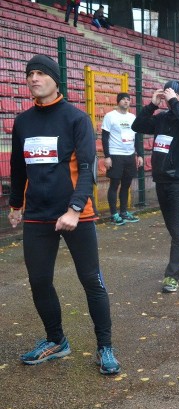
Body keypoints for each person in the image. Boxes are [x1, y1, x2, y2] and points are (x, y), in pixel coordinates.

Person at [9, 54, 120, 375]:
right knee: (39, 281)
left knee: (91, 280)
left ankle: (104, 346)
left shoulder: (76, 118)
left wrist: (74, 209)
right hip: (37, 215)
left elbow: (88, 168)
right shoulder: (23, 122)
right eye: (30, 73)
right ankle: (56, 340)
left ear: (56, 80)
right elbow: (19, 167)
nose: (33, 78)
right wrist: (16, 205)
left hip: (77, 215)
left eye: (41, 73)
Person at [132, 79, 179, 293]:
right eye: (167, 94)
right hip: (162, 180)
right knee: (176, 230)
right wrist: (152, 105)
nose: (168, 98)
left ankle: (171, 275)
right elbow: (138, 125)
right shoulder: (162, 119)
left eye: (173, 94)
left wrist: (175, 103)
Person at [101, 92, 143, 225]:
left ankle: (123, 212)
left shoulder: (132, 117)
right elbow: (104, 137)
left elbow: (137, 137)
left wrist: (140, 154)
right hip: (115, 155)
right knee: (114, 185)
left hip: (130, 155)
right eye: (123, 99)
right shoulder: (110, 116)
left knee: (126, 185)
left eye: (128, 99)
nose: (126, 101)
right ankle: (114, 214)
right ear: (118, 101)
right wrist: (107, 156)